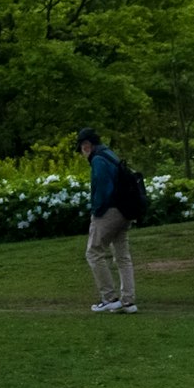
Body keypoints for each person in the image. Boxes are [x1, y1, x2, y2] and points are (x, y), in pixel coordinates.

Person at [78, 129, 135, 313]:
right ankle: (128, 301)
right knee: (122, 256)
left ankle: (109, 297)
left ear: (87, 145)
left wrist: (96, 211)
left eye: (82, 147)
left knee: (93, 252)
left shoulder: (98, 160)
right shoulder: (110, 154)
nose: (82, 152)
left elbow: (102, 188)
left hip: (110, 211)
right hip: (126, 211)